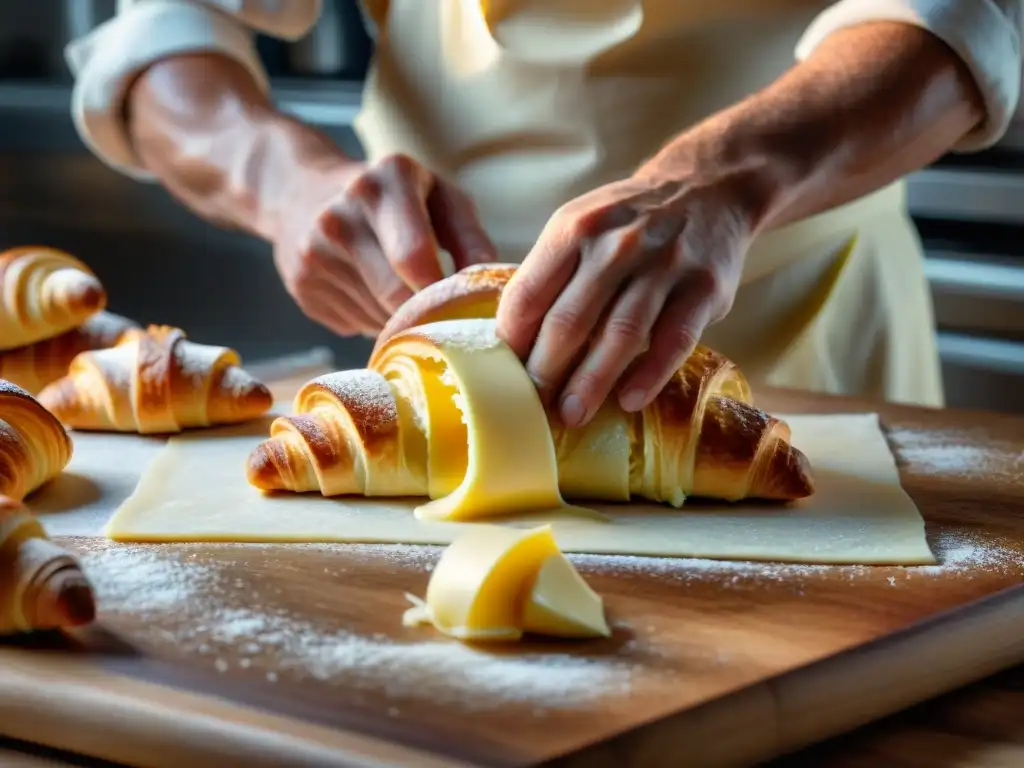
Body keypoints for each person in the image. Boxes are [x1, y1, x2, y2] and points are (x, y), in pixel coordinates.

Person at [66, 1, 1022, 430]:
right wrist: (285, 181)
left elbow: (961, 18)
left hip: (801, 332)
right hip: (439, 370)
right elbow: (168, 35)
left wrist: (720, 184)